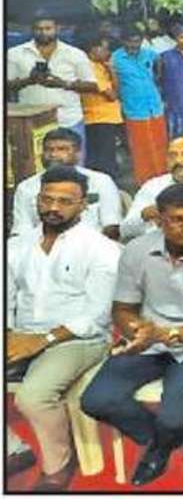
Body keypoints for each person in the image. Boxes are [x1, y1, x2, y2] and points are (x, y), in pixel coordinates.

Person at [79, 184, 183, 486]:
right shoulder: (137, 250)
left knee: (175, 415)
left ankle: (160, 448)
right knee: (96, 400)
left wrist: (164, 333)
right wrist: (136, 332)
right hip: (150, 341)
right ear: (158, 219)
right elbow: (123, 308)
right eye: (177, 219)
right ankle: (170, 441)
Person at [5, 166, 120, 490]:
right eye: (47, 199)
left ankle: (59, 464)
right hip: (23, 333)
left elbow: (97, 316)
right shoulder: (17, 246)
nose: (53, 207)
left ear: (83, 204)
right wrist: (9, 333)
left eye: (65, 201)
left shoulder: (101, 249)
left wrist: (43, 339)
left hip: (78, 339)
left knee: (33, 397)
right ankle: (13, 449)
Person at [6, 14, 99, 154]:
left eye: (48, 28)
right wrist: (29, 80)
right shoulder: (15, 53)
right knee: (36, 165)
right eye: (38, 29)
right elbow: (7, 85)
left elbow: (93, 86)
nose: (43, 32)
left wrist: (63, 84)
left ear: (57, 28)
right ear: (32, 30)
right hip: (33, 122)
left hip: (68, 119)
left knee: (72, 164)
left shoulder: (75, 54)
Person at [10, 128, 122, 240]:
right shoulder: (26, 187)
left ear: (78, 153)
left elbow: (111, 226)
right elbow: (21, 230)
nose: (54, 154)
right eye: (48, 149)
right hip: (43, 246)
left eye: (62, 149)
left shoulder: (101, 181)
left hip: (92, 245)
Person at [111, 29, 169, 183]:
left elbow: (160, 63)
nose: (134, 45)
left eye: (137, 41)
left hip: (155, 107)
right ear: (123, 41)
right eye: (130, 41)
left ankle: (164, 178)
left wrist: (157, 78)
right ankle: (145, 181)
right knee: (141, 148)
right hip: (134, 109)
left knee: (160, 145)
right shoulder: (115, 58)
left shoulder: (148, 53)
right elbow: (113, 83)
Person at [79, 36, 123, 179]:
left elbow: (118, 90)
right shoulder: (89, 68)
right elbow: (112, 95)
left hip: (108, 118)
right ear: (93, 49)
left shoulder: (101, 65)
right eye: (104, 49)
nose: (108, 52)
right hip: (97, 119)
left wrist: (111, 69)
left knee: (109, 157)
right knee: (104, 161)